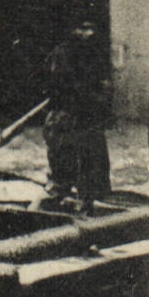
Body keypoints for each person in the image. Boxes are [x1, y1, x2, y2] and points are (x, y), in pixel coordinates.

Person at [44, 19, 112, 204]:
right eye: (82, 29)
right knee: (64, 165)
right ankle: (61, 194)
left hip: (88, 117)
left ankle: (94, 197)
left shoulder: (94, 55)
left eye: (90, 29)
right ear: (72, 31)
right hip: (66, 115)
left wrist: (99, 97)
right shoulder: (61, 54)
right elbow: (62, 85)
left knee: (95, 167)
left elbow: (103, 84)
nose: (88, 34)